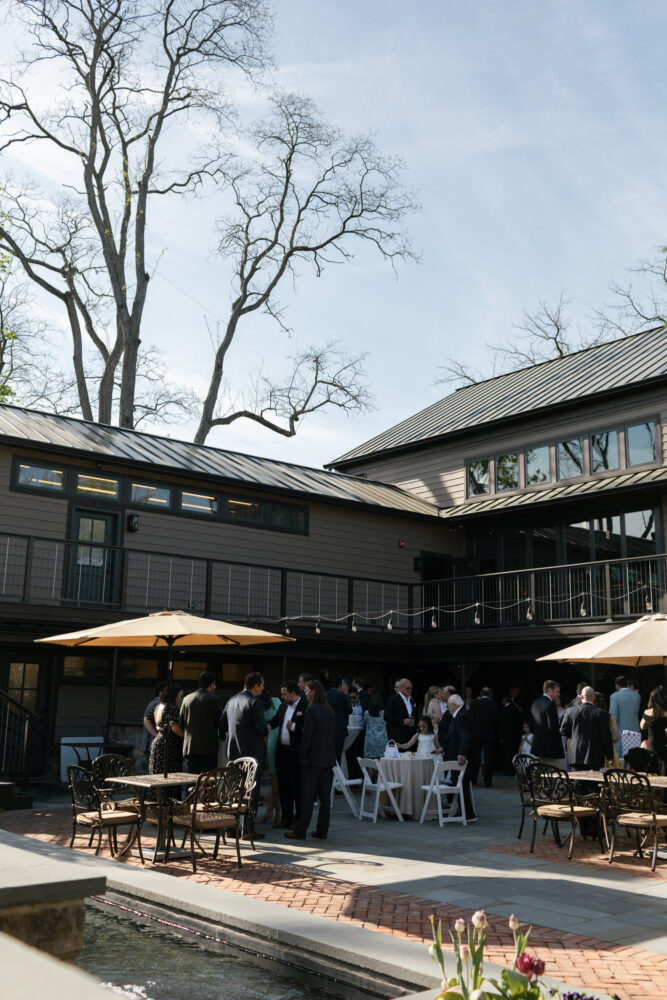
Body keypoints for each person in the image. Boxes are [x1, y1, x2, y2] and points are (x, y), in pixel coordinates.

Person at [285, 679, 336, 841]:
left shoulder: (312, 710)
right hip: (327, 759)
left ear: (314, 691)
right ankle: (322, 830)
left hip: (313, 759)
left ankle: (301, 831)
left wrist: (302, 755)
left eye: (307, 690)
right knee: (325, 798)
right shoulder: (329, 710)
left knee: (307, 797)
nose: (305, 693)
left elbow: (307, 736)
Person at [219, 672, 268, 840]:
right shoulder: (255, 702)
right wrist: (267, 729)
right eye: (262, 684)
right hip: (252, 755)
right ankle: (248, 829)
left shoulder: (231, 700)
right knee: (251, 792)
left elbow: (222, 723)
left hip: (233, 753)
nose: (263, 687)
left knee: (233, 791)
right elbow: (261, 729)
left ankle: (231, 828)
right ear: (255, 685)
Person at [273, 680, 307, 828]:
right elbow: (274, 722)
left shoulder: (305, 706)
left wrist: (294, 726)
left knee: (297, 787)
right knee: (283, 786)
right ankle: (286, 817)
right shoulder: (282, 707)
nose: (282, 697)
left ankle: (298, 819)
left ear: (293, 693)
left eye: (284, 694)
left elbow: (309, 728)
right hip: (282, 752)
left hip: (296, 753)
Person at [560, 686, 613, 771]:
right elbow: (606, 737)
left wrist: (574, 734)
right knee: (593, 783)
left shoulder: (570, 711)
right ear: (594, 697)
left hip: (576, 756)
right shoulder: (601, 714)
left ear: (581, 696)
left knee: (578, 783)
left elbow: (563, 731)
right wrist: (610, 755)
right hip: (595, 756)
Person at [179, 671, 221, 773]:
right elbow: (219, 723)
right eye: (214, 684)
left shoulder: (186, 699)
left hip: (189, 747)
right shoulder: (214, 699)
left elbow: (181, 724)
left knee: (191, 782)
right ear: (211, 685)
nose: (215, 687)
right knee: (209, 782)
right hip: (208, 748)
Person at [444, 694, 476, 822]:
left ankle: (468, 814)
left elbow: (465, 736)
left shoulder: (462, 715)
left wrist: (462, 753)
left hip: (460, 756)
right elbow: (454, 736)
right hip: (455, 754)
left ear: (453, 705)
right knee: (460, 783)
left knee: (461, 784)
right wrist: (443, 749)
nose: (448, 709)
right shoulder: (459, 715)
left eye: (448, 706)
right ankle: (466, 812)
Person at [148, 685, 184, 776]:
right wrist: (187, 737)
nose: (182, 699)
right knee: (168, 779)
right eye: (180, 696)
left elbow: (147, 719)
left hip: (158, 743)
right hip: (168, 747)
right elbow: (175, 728)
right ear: (174, 695)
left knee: (157, 776)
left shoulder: (159, 706)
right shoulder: (171, 707)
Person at [530, 680, 566, 768]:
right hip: (552, 750)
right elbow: (553, 727)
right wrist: (563, 725)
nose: (558, 694)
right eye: (557, 691)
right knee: (561, 776)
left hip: (538, 748)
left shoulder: (535, 703)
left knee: (543, 778)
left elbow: (531, 725)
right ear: (550, 690)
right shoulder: (550, 705)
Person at [259, 685, 282, 825]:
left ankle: (274, 811)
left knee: (274, 778)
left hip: (268, 737)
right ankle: (272, 810)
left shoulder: (257, 705)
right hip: (278, 736)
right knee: (275, 778)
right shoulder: (277, 702)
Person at [469, 687, 500, 787]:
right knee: (488, 759)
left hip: (476, 735)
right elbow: (497, 722)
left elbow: (470, 719)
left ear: (481, 693)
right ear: (490, 694)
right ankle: (488, 781)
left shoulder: (474, 704)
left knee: (475, 758)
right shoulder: (494, 705)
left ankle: (474, 780)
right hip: (490, 735)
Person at [609, 675, 641, 760]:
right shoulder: (637, 696)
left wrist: (611, 732)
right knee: (634, 761)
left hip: (621, 733)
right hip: (635, 732)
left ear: (616, 685)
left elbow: (613, 716)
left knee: (622, 763)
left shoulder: (614, 696)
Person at [640, 685, 667, 775]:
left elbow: (642, 726)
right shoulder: (665, 713)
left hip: (651, 747)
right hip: (663, 748)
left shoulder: (647, 712)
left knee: (650, 775)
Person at [385, 678, 418, 744]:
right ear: (401, 688)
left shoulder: (412, 700)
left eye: (411, 688)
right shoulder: (393, 699)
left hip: (411, 736)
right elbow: (386, 716)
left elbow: (416, 715)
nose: (410, 690)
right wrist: (402, 721)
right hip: (399, 736)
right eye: (408, 688)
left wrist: (415, 722)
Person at [325, 678, 351, 762]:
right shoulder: (341, 696)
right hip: (339, 729)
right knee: (337, 755)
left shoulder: (325, 695)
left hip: (327, 728)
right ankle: (337, 774)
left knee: (327, 754)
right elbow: (349, 710)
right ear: (339, 686)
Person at [500, 692, 524, 773]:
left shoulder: (505, 710)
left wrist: (502, 736)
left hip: (507, 736)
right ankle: (513, 770)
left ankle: (506, 770)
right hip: (515, 736)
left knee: (507, 754)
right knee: (513, 753)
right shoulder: (515, 709)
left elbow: (504, 724)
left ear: (504, 701)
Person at [345, 689, 365, 780]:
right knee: (352, 756)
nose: (352, 699)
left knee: (361, 755)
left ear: (358, 696)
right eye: (350, 698)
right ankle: (353, 777)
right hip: (352, 733)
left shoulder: (364, 705)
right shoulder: (348, 706)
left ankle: (361, 776)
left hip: (362, 733)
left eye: (353, 697)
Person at [363, 693, 387, 757]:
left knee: (370, 762)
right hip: (382, 740)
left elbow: (364, 724)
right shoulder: (384, 713)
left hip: (370, 740)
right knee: (381, 762)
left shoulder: (367, 713)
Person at [437, 685, 457, 751]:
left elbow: (450, 724)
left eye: (443, 693)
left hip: (450, 745)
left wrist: (440, 722)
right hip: (445, 745)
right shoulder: (447, 706)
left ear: (449, 695)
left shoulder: (454, 707)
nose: (442, 695)